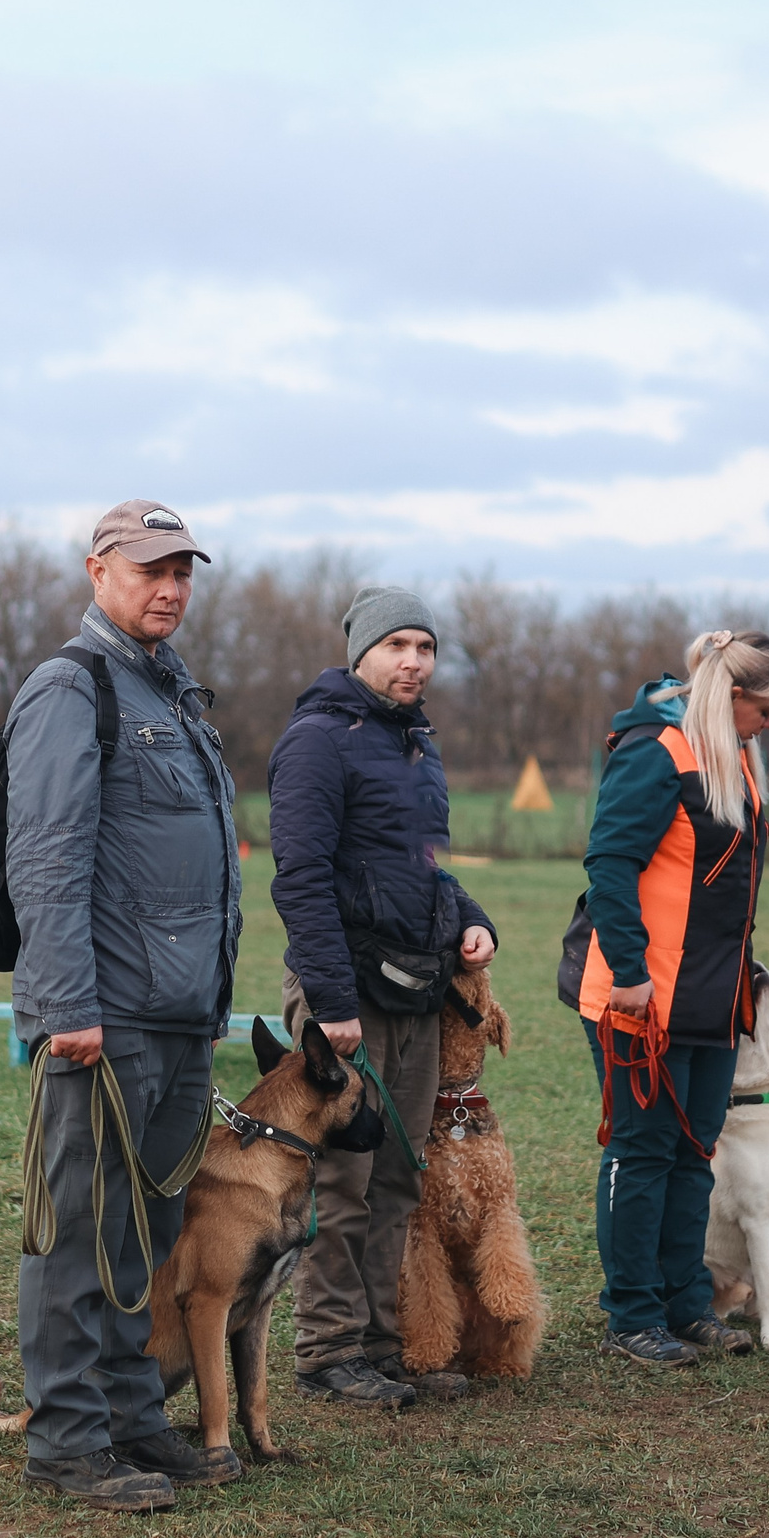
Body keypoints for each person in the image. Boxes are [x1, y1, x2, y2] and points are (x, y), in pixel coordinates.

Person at [3, 499, 243, 1513]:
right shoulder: (73, 687)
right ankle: (66, 1442)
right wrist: (67, 1004)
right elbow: (48, 856)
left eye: (182, 570)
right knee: (77, 1231)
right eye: (149, 569)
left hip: (180, 1015)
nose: (170, 588)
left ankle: (132, 1418)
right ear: (96, 570)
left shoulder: (174, 692)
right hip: (103, 1018)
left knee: (145, 1234)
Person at [268, 586, 495, 1409]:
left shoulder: (417, 745)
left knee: (399, 1176)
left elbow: (424, 864)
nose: (413, 661)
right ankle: (327, 1354)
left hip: (416, 988)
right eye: (397, 645)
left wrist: (471, 920)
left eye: (425, 647)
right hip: (346, 993)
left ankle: (382, 1349)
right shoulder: (317, 741)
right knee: (344, 1178)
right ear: (360, 652)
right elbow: (299, 879)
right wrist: (330, 1003)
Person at [570, 629, 769, 1368]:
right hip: (641, 999)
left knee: (693, 1154)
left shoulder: (732, 753)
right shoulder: (656, 753)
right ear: (731, 696)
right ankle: (631, 1317)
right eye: (765, 711)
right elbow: (610, 863)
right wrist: (633, 974)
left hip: (713, 999)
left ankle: (683, 1304)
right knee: (641, 1154)